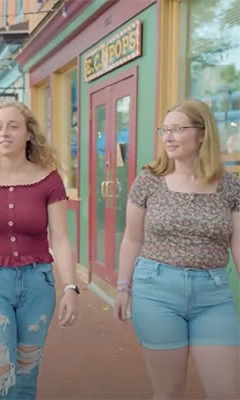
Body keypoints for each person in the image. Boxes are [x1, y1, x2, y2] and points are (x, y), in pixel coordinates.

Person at [0, 101, 79, 399]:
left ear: (29, 134)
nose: (4, 132)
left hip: (38, 285)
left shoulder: (49, 180)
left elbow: (60, 238)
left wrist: (70, 287)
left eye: (13, 126)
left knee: (25, 380)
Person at [114, 99, 240, 399]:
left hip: (213, 294)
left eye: (178, 129)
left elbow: (238, 243)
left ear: (202, 134)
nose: (168, 137)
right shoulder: (149, 181)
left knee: (227, 392)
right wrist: (123, 286)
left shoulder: (230, 187)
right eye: (164, 130)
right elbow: (132, 239)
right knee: (169, 391)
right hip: (156, 291)